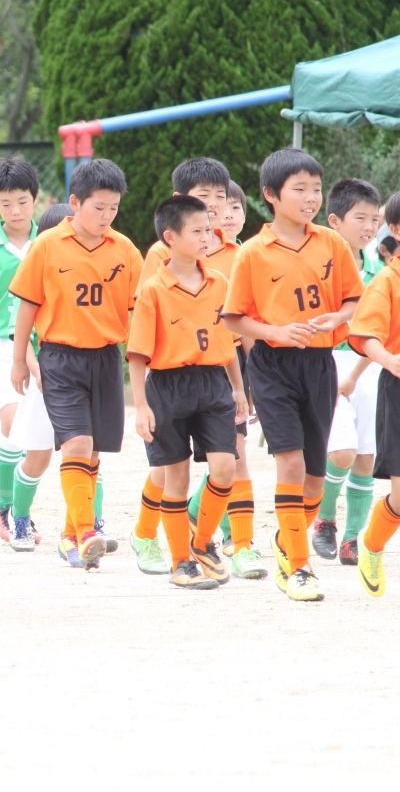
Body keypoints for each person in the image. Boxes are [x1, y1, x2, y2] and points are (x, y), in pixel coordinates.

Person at [222, 148, 363, 602]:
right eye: (299, 189)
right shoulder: (252, 252)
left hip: (320, 364)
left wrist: (335, 318)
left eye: (316, 189)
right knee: (291, 463)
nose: (311, 198)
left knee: (315, 479)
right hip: (272, 365)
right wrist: (276, 331)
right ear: (271, 194)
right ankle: (299, 567)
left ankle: (287, 539)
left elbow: (354, 300)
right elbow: (233, 317)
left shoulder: (332, 244)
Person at [8, 159, 143, 571]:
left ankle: (71, 536)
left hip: (106, 359)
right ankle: (86, 533)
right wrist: (19, 360)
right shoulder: (47, 245)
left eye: (113, 208)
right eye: (98, 207)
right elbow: (27, 306)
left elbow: (141, 309)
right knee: (77, 445)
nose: (106, 216)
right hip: (60, 358)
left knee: (93, 451)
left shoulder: (125, 250)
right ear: (75, 202)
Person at [131, 158, 261, 578]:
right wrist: (141, 404)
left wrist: (245, 386)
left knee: (230, 462)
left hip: (218, 377)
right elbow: (140, 344)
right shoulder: (158, 268)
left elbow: (233, 336)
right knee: (173, 475)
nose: (214, 207)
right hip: (169, 380)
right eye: (204, 198)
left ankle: (223, 542)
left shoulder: (230, 268)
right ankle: (168, 551)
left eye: (220, 197)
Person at [309, 180, 383, 564]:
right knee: (341, 451)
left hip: (370, 367)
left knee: (366, 456)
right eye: (360, 218)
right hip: (327, 364)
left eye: (374, 219)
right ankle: (324, 519)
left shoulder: (381, 271)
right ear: (335, 221)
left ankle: (353, 538)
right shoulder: (317, 268)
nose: (369, 227)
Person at [1, 202, 75, 552]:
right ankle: (19, 516)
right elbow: (23, 334)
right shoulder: (36, 275)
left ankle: (88, 524)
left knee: (85, 452)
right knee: (38, 457)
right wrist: (34, 368)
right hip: (46, 377)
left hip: (81, 375)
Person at [0, 158, 41, 549]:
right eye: (6, 203)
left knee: (37, 434)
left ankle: (18, 509)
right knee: (14, 421)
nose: (15, 211)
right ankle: (7, 507)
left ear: (36, 198)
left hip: (43, 346)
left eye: (22, 202)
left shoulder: (49, 241)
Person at [347, 222, 400, 596]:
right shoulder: (387, 280)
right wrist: (390, 361)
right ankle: (372, 543)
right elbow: (366, 336)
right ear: (396, 229)